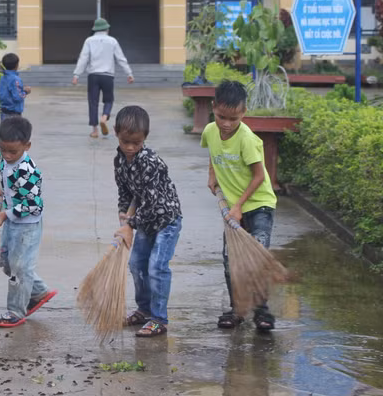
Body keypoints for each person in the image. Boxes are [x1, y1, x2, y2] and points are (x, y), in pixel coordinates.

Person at [200, 80, 277, 331]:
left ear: (243, 113)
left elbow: (258, 176)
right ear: (213, 108)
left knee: (255, 257)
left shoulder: (248, 139)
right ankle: (237, 309)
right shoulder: (210, 131)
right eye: (221, 116)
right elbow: (212, 151)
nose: (226, 124)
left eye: (233, 119)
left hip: (259, 205)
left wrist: (239, 206)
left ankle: (262, 311)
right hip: (233, 207)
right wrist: (212, 174)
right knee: (229, 259)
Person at [113, 105, 182, 337]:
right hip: (144, 220)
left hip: (166, 220)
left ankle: (159, 319)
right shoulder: (120, 160)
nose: (131, 148)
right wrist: (124, 216)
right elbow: (124, 191)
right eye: (126, 142)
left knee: (156, 267)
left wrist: (131, 225)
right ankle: (144, 310)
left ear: (145, 138)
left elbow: (153, 205)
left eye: (137, 143)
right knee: (136, 265)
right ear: (116, 134)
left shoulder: (150, 162)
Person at [0, 116, 56, 328]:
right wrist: (3, 191)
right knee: (6, 262)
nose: (7, 156)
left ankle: (16, 311)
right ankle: (38, 291)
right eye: (3, 150)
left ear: (27, 146)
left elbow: (33, 205)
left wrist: (4, 214)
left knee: (19, 269)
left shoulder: (27, 171)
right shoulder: (6, 161)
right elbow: (8, 179)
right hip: (13, 222)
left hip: (27, 226)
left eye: (13, 152)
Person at [72, 18, 134, 138]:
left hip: (93, 76)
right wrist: (129, 74)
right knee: (109, 100)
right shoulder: (112, 41)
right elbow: (120, 58)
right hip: (107, 76)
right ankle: (104, 117)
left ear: (95, 29)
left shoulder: (89, 40)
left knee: (93, 102)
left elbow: (83, 58)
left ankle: (95, 130)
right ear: (106, 28)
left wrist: (76, 75)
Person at [0, 52, 31, 119]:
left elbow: (4, 94)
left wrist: (22, 90)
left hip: (4, 113)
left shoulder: (2, 78)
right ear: (17, 65)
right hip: (13, 114)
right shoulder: (15, 79)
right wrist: (26, 92)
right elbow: (18, 97)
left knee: (5, 129)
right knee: (14, 129)